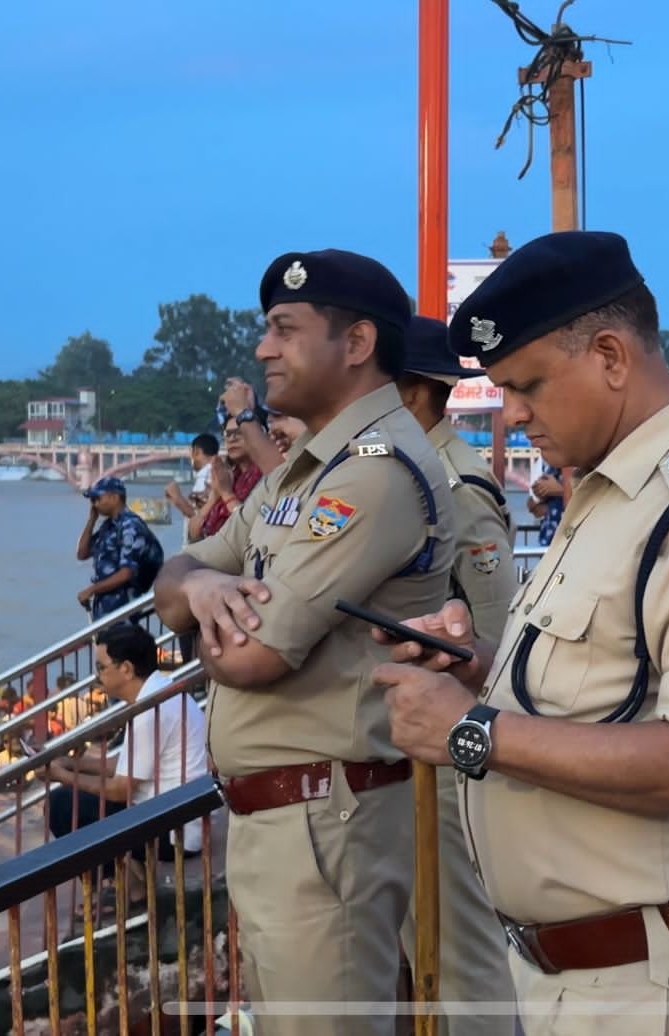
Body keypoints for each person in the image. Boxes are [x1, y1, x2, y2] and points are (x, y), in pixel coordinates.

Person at [372, 230, 669, 1035]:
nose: (514, 413)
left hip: (648, 987)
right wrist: (480, 668)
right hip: (579, 977)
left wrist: (472, 732)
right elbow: (603, 688)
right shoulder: (610, 495)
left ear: (610, 356)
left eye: (527, 384)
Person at [152, 248, 456, 1035]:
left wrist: (199, 606)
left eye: (285, 330)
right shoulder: (304, 471)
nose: (264, 350)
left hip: (325, 825)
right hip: (288, 820)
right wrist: (202, 592)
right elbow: (175, 576)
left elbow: (253, 656)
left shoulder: (374, 475)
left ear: (356, 343)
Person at [394, 314, 519, 1034]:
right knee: (422, 940)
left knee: (461, 951)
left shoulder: (456, 485)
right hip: (410, 739)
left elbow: (495, 636)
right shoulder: (406, 476)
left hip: (450, 751)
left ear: (414, 393)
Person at [47, 623, 211, 900]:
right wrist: (72, 764)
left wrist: (61, 775)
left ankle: (124, 888)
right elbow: (122, 765)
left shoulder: (151, 709)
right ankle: (130, 878)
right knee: (76, 799)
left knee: (63, 804)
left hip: (175, 831)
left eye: (101, 667)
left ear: (126, 669)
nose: (97, 676)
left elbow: (118, 789)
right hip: (176, 813)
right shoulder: (160, 692)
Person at [76, 476, 163, 619]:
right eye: (92, 500)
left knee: (118, 634)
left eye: (97, 498)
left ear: (114, 497)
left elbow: (126, 573)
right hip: (104, 607)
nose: (94, 504)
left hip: (122, 606)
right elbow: (82, 553)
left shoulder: (131, 527)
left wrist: (92, 589)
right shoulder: (109, 526)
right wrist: (91, 520)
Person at [187, 416, 264, 544]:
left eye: (239, 432)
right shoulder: (227, 476)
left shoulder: (266, 476)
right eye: (228, 434)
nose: (232, 439)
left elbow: (249, 530)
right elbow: (193, 534)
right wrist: (214, 496)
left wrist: (226, 494)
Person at [167, 433, 221, 520]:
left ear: (196, 451)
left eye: (190, 453)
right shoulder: (216, 471)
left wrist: (177, 497)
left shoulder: (207, 475)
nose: (190, 458)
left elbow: (199, 517)